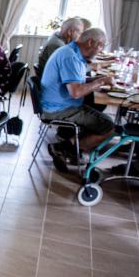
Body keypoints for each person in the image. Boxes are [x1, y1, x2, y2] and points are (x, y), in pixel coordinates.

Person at [40, 28, 114, 172]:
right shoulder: (70, 57)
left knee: (97, 111)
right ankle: (64, 148)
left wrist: (96, 79)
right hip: (58, 109)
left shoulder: (72, 51)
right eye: (101, 46)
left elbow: (76, 80)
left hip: (58, 104)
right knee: (109, 127)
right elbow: (76, 92)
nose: (101, 50)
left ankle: (70, 148)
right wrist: (101, 82)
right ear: (90, 42)